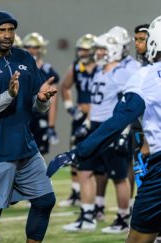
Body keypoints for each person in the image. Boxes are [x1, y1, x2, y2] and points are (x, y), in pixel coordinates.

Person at [48, 12, 161, 243]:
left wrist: (78, 152)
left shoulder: (146, 76)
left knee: (139, 238)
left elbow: (118, 121)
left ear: (155, 40)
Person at [0, 11, 57, 243]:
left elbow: (37, 105)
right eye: (1, 30)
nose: (7, 35)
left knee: (45, 200)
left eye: (11, 30)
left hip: (25, 146)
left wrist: (43, 99)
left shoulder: (25, 58)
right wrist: (8, 95)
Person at [63, 32, 132, 233]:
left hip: (111, 128)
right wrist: (87, 121)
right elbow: (96, 103)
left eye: (103, 49)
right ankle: (87, 216)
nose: (98, 53)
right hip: (95, 128)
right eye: (98, 49)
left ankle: (123, 218)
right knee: (84, 171)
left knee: (119, 176)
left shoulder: (121, 73)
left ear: (114, 50)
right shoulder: (100, 71)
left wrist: (123, 130)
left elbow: (129, 104)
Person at [59, 33, 97, 207]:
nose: (82, 53)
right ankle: (75, 191)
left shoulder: (102, 67)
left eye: (86, 49)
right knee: (74, 152)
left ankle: (98, 199)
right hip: (80, 116)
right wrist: (69, 106)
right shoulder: (76, 67)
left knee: (100, 157)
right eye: (80, 49)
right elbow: (65, 86)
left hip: (98, 116)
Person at [22, 32, 60, 155]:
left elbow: (53, 102)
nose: (32, 50)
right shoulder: (18, 68)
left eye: (35, 47)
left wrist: (51, 126)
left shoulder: (48, 71)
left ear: (41, 49)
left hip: (40, 115)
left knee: (38, 156)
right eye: (28, 47)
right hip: (21, 117)